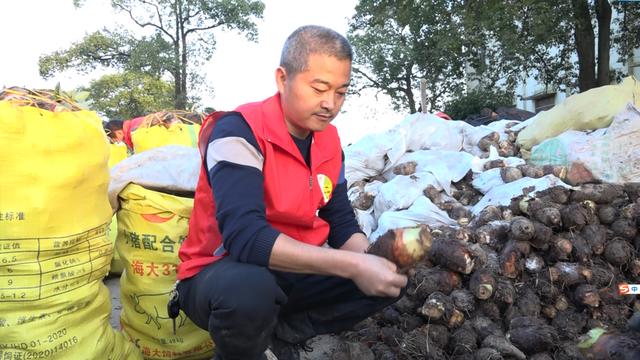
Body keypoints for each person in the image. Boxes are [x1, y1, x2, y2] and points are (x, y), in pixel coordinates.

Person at [174, 25, 408, 360]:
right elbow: (245, 238)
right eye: (319, 88)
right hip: (221, 273)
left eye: (341, 92)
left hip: (290, 271)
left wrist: (373, 259)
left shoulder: (329, 141)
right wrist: (354, 266)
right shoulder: (238, 130)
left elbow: (341, 221)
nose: (330, 104)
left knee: (391, 275)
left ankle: (283, 334)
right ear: (283, 79)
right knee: (250, 292)